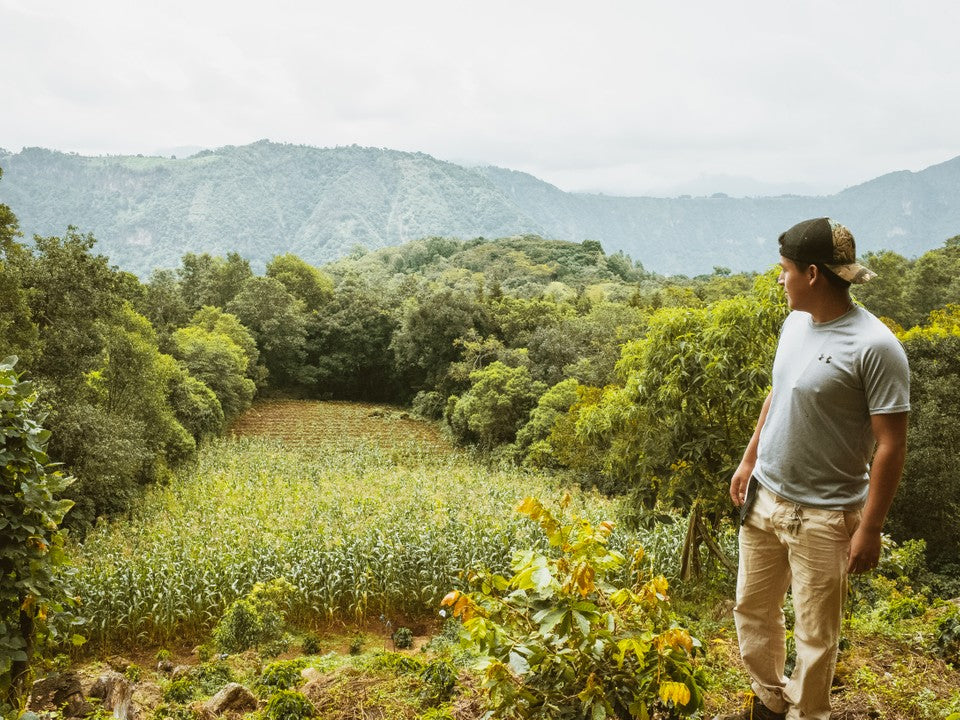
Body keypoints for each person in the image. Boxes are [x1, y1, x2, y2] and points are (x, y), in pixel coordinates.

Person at [725, 218, 910, 720]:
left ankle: (806, 714)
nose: (779, 279)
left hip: (824, 518)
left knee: (815, 635)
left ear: (811, 273)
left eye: (784, 270)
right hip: (765, 497)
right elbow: (778, 394)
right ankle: (770, 699)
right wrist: (749, 460)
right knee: (752, 611)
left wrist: (869, 528)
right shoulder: (794, 324)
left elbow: (891, 444)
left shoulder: (875, 346)